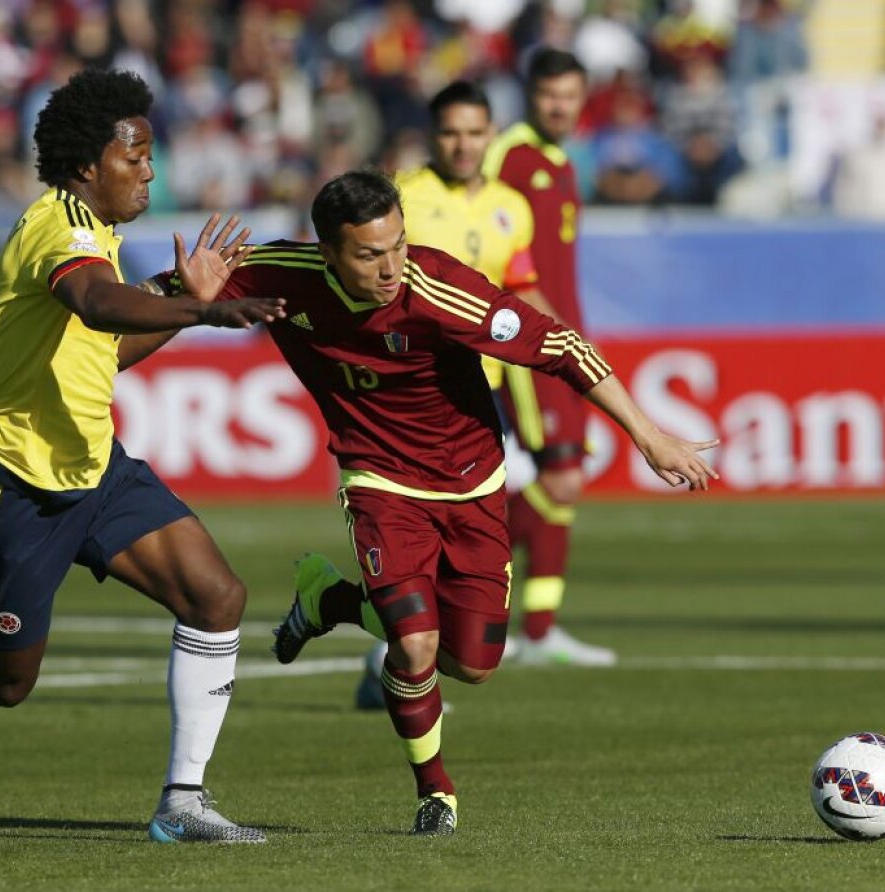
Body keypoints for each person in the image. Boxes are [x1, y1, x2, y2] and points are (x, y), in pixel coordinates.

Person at [0, 68, 284, 845]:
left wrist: (175, 293)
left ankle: (182, 803)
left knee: (216, 597)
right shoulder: (59, 228)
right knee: (7, 680)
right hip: (14, 488)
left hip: (95, 469)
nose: (149, 172)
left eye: (151, 157)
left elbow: (107, 348)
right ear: (86, 165)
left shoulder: (97, 234)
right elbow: (96, 303)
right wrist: (201, 308)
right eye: (134, 157)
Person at [209, 169, 718, 835]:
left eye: (398, 245)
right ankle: (436, 793)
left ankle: (329, 600)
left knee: (473, 664)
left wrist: (649, 436)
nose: (391, 266)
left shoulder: (441, 290)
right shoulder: (278, 272)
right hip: (380, 480)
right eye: (370, 254)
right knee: (414, 644)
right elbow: (157, 297)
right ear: (328, 252)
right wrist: (184, 297)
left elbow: (560, 346)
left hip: (472, 482)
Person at [345, 79, 556, 710]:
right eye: (450, 133)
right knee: (436, 526)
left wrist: (568, 347)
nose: (463, 145)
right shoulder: (404, 196)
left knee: (505, 501)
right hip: (414, 390)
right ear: (432, 136)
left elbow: (520, 288)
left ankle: (398, 648)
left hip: (483, 390)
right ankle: (403, 650)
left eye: (473, 133)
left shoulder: (511, 207)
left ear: (491, 135)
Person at [482, 48, 617, 666]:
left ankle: (537, 629)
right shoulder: (508, 156)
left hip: (564, 341)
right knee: (559, 477)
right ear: (530, 95)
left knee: (563, 482)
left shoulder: (562, 162)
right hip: (527, 346)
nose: (559, 106)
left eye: (569, 95)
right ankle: (463, 576)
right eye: (548, 95)